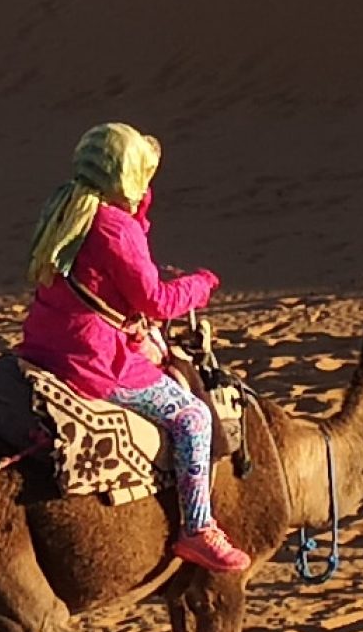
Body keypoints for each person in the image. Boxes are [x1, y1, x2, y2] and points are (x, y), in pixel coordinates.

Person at [17, 123, 249, 574]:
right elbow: (157, 302)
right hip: (92, 359)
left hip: (46, 341)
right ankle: (197, 529)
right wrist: (201, 285)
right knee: (194, 417)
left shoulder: (68, 203)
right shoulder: (115, 228)